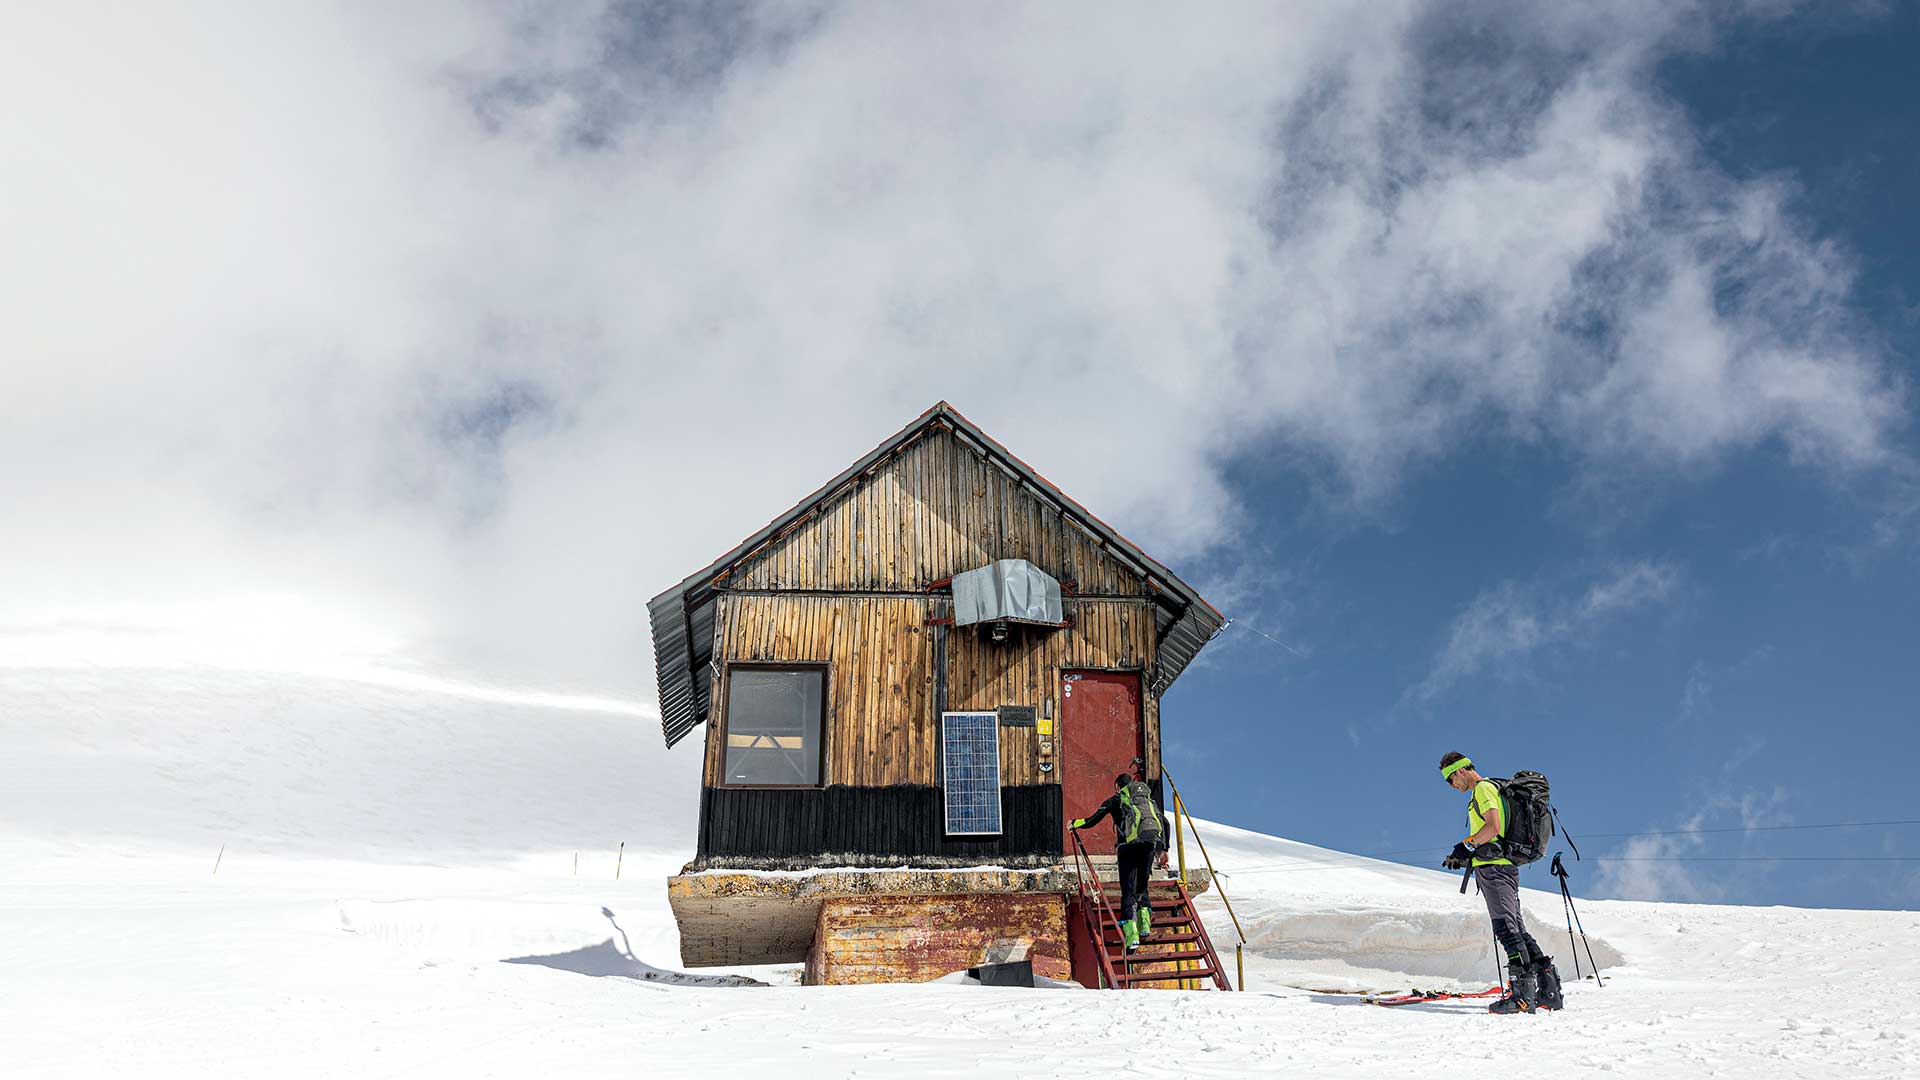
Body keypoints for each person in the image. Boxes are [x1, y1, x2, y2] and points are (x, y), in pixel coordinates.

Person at [1440, 751, 1565, 1013]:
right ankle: (1548, 990)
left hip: (1495, 871)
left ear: (1461, 770)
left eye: (1451, 779)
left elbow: (1493, 828)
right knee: (1516, 928)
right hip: (1501, 867)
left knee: (1506, 929)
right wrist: (1463, 856)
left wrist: (1466, 845)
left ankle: (1521, 996)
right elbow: (1494, 838)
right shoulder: (1490, 789)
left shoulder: (1483, 789)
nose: (1452, 786)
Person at [1070, 772, 1170, 953]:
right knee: (1142, 886)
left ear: (1118, 787)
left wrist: (1074, 823)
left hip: (1127, 848)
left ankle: (1132, 937)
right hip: (1148, 846)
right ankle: (1145, 925)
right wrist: (1164, 850)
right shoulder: (1148, 801)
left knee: (1128, 891)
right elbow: (1166, 823)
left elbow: (1092, 820)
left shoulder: (1115, 800)